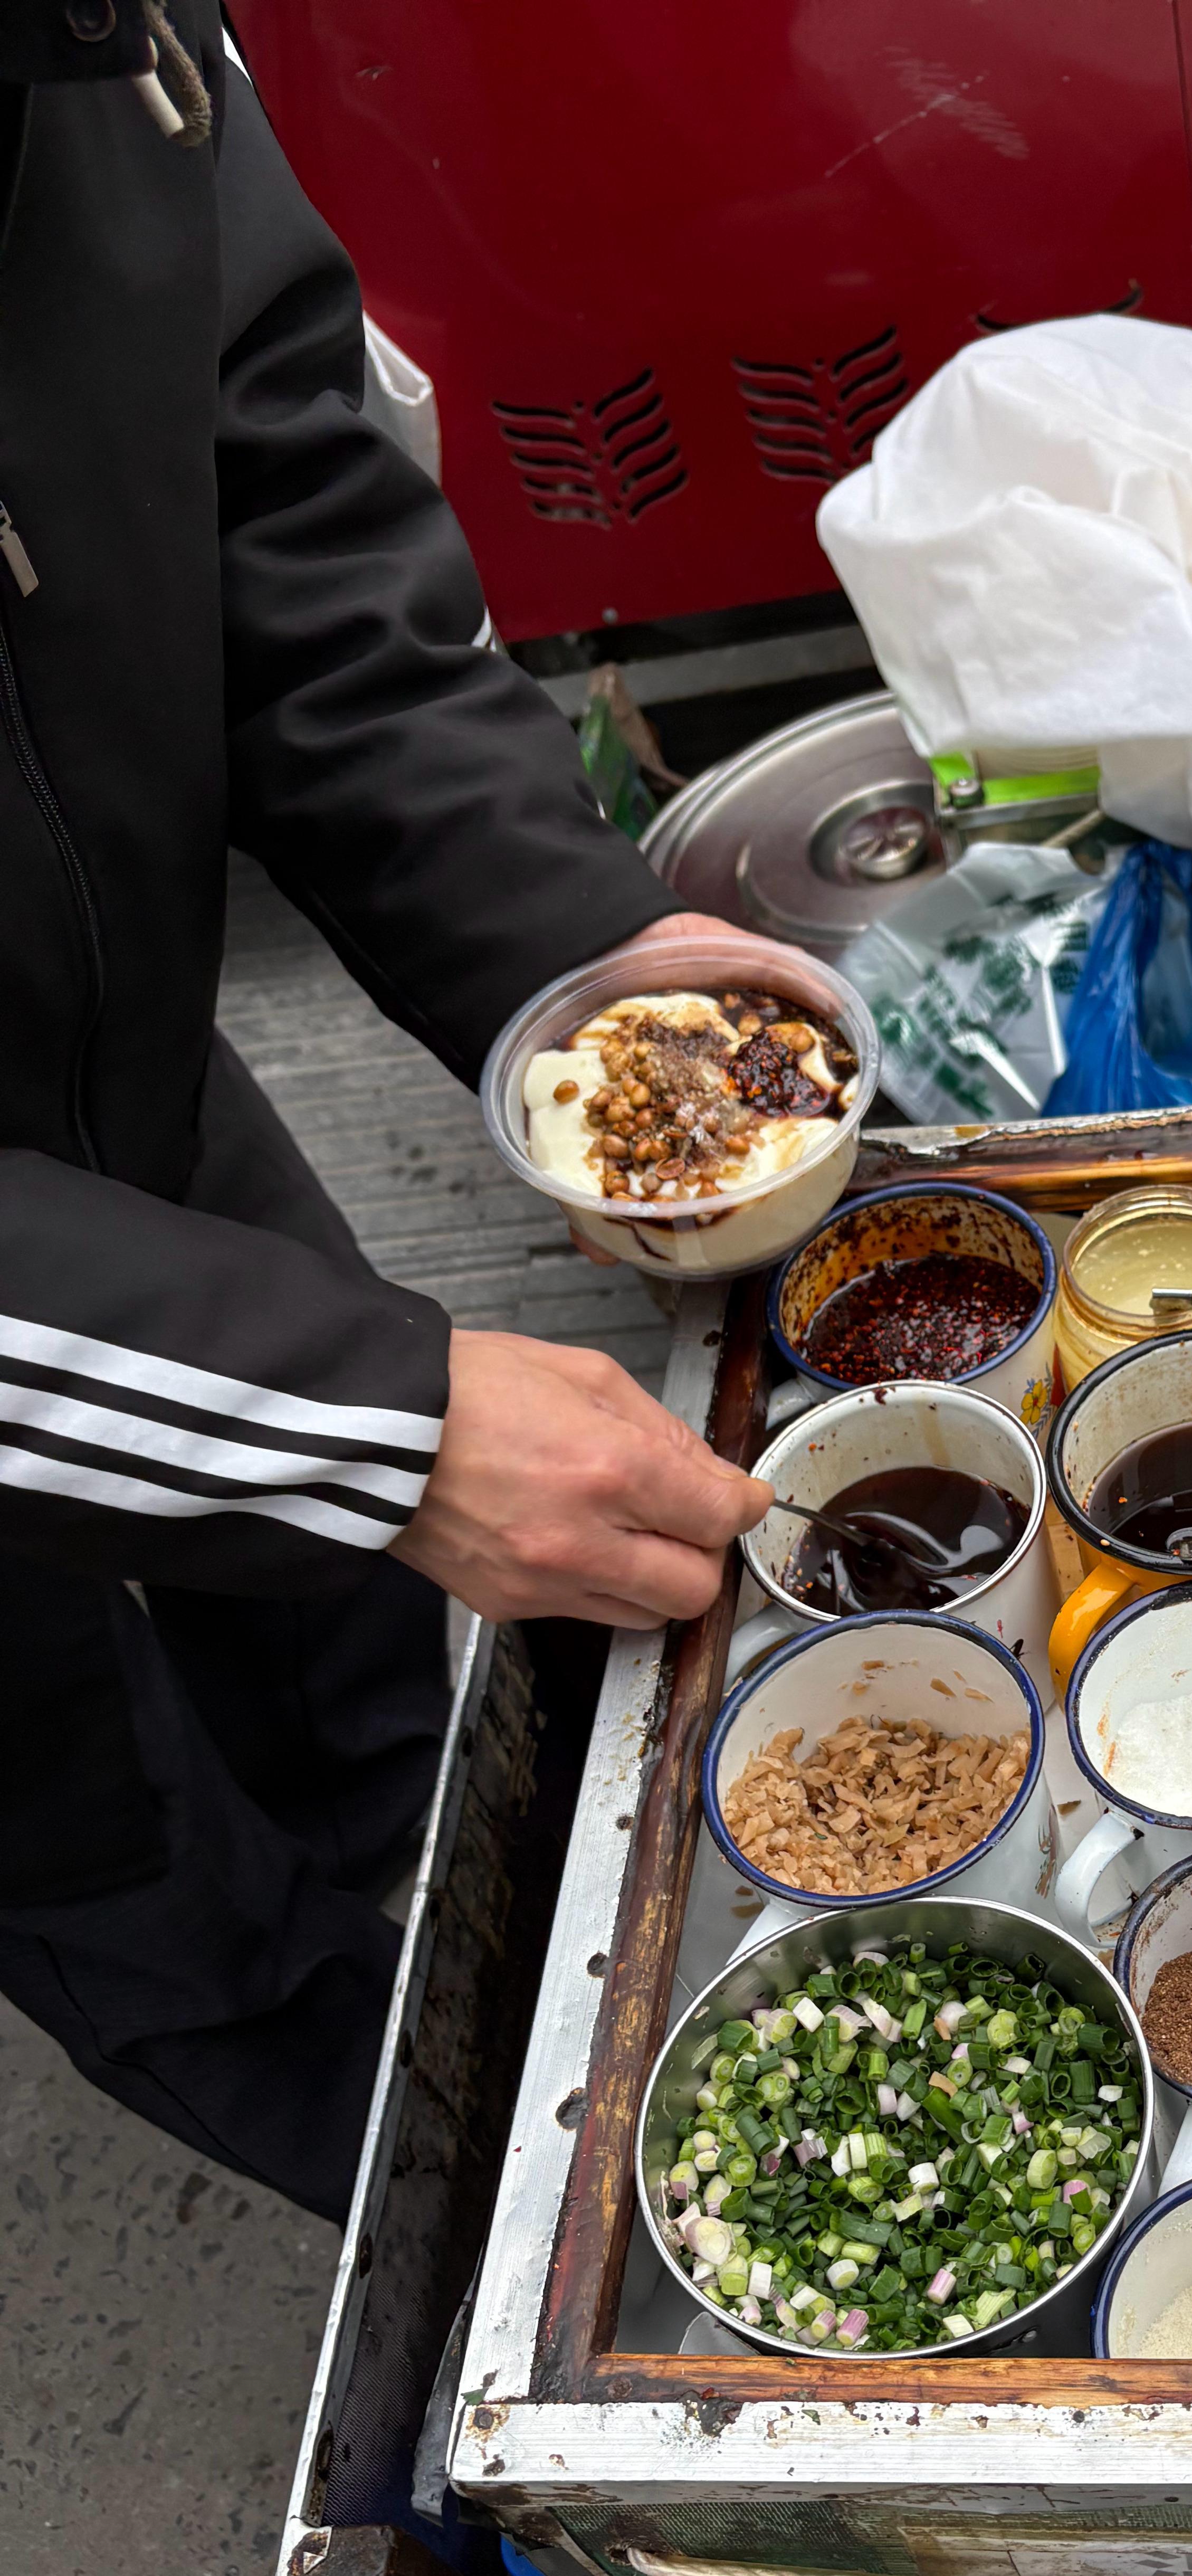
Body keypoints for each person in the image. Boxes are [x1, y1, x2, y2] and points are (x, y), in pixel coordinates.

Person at [0, 0, 776, 2223]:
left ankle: (469, 1941)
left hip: (121, 1069)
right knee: (110, 1850)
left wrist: (559, 956)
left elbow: (286, 515)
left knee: (339, 1633)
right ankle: (450, 2197)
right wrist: (358, 1426)